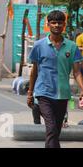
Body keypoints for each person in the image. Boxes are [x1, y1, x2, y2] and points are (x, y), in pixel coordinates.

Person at [27, 10, 83, 148]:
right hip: (44, 94)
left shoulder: (72, 46)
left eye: (60, 22)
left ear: (64, 24)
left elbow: (77, 72)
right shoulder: (39, 46)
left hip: (63, 95)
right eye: (53, 22)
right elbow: (34, 71)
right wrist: (30, 93)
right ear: (48, 24)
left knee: (55, 131)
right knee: (51, 128)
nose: (57, 25)